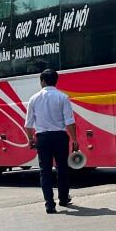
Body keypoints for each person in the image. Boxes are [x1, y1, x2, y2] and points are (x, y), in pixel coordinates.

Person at [24, 68, 79, 214]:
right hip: (60, 137)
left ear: (43, 81)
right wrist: (75, 139)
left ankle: (49, 204)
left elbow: (28, 124)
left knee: (45, 171)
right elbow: (69, 121)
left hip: (43, 139)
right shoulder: (63, 97)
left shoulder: (34, 99)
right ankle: (63, 198)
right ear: (56, 81)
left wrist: (31, 139)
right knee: (62, 169)